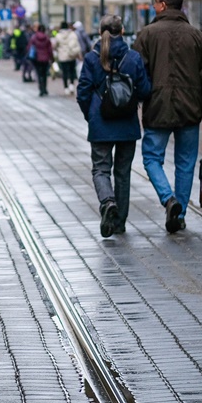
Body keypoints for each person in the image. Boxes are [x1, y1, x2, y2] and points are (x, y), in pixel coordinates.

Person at [132, 0, 202, 233]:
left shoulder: (147, 35)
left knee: (151, 158)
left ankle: (168, 199)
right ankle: (179, 215)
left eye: (154, 1)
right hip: (191, 109)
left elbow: (138, 74)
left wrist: (142, 96)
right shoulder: (197, 36)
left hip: (158, 107)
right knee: (185, 162)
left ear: (161, 5)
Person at [76, 14, 152, 237]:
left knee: (100, 168)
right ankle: (119, 223)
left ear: (100, 33)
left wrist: (90, 115)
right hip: (127, 124)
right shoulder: (133, 57)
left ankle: (108, 202)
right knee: (123, 173)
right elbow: (145, 90)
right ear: (123, 31)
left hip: (101, 124)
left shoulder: (92, 58)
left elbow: (82, 93)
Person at [54, 21, 83, 95]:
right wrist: (79, 55)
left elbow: (55, 46)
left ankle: (66, 87)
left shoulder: (58, 35)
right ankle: (72, 85)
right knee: (72, 71)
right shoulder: (72, 34)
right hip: (71, 56)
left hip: (62, 57)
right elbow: (77, 45)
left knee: (64, 72)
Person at [28, 23, 55, 96]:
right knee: (44, 74)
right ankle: (45, 89)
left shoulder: (34, 37)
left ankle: (41, 89)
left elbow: (30, 47)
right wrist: (52, 58)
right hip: (45, 59)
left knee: (39, 74)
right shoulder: (47, 38)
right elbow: (50, 50)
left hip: (37, 59)